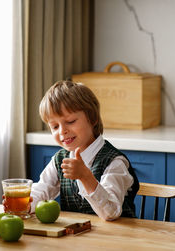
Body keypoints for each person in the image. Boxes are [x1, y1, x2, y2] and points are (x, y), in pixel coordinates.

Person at [27, 80, 140, 221]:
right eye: (55, 126)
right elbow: (42, 189)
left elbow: (111, 212)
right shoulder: (59, 160)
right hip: (77, 238)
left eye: (70, 121)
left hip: (116, 239)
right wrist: (24, 204)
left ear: (92, 119)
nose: (63, 131)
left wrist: (85, 176)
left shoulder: (114, 162)